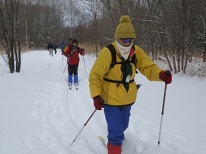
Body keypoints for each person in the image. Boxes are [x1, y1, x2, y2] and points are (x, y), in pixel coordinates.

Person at [89, 15, 172, 154]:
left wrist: (161, 75)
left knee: (123, 125)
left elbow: (148, 67)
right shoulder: (107, 53)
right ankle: (114, 145)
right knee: (116, 132)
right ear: (117, 38)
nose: (128, 43)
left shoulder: (136, 52)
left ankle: (114, 139)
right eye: (124, 39)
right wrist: (96, 96)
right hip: (110, 99)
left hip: (128, 98)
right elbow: (95, 76)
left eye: (130, 40)